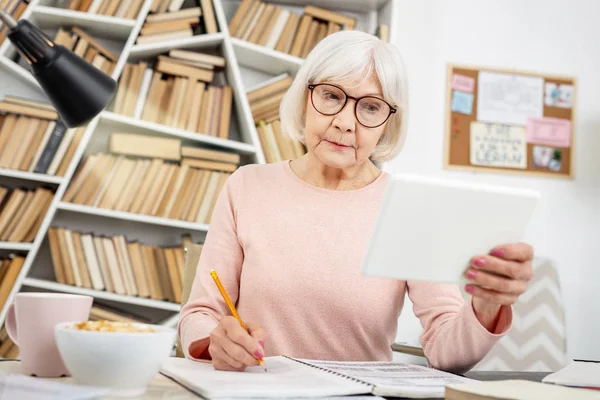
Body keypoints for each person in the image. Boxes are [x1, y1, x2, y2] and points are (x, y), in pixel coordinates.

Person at [178, 30, 534, 374]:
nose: (346, 123)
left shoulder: (409, 208)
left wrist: (487, 303)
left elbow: (447, 351)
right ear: (305, 98)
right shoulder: (246, 186)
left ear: (388, 124)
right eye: (332, 96)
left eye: (371, 106)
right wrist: (214, 342)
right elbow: (200, 314)